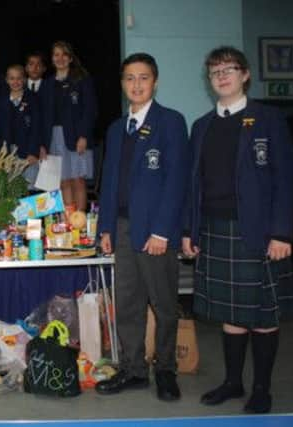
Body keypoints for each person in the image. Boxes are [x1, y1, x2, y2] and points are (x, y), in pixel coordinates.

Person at [183, 46, 293, 414]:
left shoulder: (268, 118)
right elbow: (192, 185)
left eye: (229, 69)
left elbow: (287, 177)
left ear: (245, 74)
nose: (222, 76)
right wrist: (191, 231)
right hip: (214, 229)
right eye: (215, 71)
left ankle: (262, 388)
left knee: (262, 315)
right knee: (231, 314)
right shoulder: (201, 126)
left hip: (259, 231)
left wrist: (282, 232)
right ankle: (233, 382)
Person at [95, 53, 189, 402]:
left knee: (164, 305)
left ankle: (165, 369)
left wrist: (163, 231)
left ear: (155, 81)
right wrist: (105, 227)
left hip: (155, 231)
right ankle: (134, 370)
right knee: (129, 304)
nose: (136, 84)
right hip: (120, 229)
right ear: (122, 84)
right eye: (130, 78)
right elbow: (108, 183)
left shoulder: (171, 122)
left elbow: (177, 180)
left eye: (144, 77)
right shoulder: (117, 128)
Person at [41, 41, 97, 211]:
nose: (60, 58)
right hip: (53, 138)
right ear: (52, 59)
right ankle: (68, 224)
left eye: (64, 54)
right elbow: (42, 116)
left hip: (76, 136)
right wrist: (43, 144)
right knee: (63, 181)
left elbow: (90, 110)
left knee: (77, 180)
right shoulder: (47, 84)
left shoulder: (82, 79)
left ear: (70, 58)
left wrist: (84, 136)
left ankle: (79, 224)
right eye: (56, 54)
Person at [0, 64, 40, 186]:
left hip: (28, 154)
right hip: (6, 155)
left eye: (19, 78)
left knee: (29, 189)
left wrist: (33, 152)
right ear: (7, 80)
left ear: (24, 79)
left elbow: (37, 128)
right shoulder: (0, 102)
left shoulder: (33, 99)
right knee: (9, 191)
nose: (16, 82)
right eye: (12, 78)